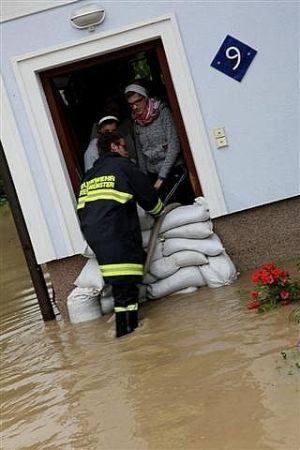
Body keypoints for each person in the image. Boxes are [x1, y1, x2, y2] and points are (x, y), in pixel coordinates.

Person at [77, 132, 164, 338]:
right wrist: (159, 211)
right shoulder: (124, 167)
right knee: (127, 287)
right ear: (114, 147)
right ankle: (129, 334)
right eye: (123, 146)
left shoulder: (89, 176)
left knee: (120, 286)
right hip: (116, 232)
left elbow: (81, 208)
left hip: (95, 235)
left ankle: (125, 334)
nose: (126, 151)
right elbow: (150, 199)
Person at [124, 83, 195, 205]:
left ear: (145, 98)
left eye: (138, 102)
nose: (135, 107)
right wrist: (145, 179)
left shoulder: (163, 112)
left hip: (173, 171)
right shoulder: (136, 122)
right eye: (131, 105)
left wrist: (162, 177)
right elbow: (140, 153)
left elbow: (174, 145)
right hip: (154, 175)